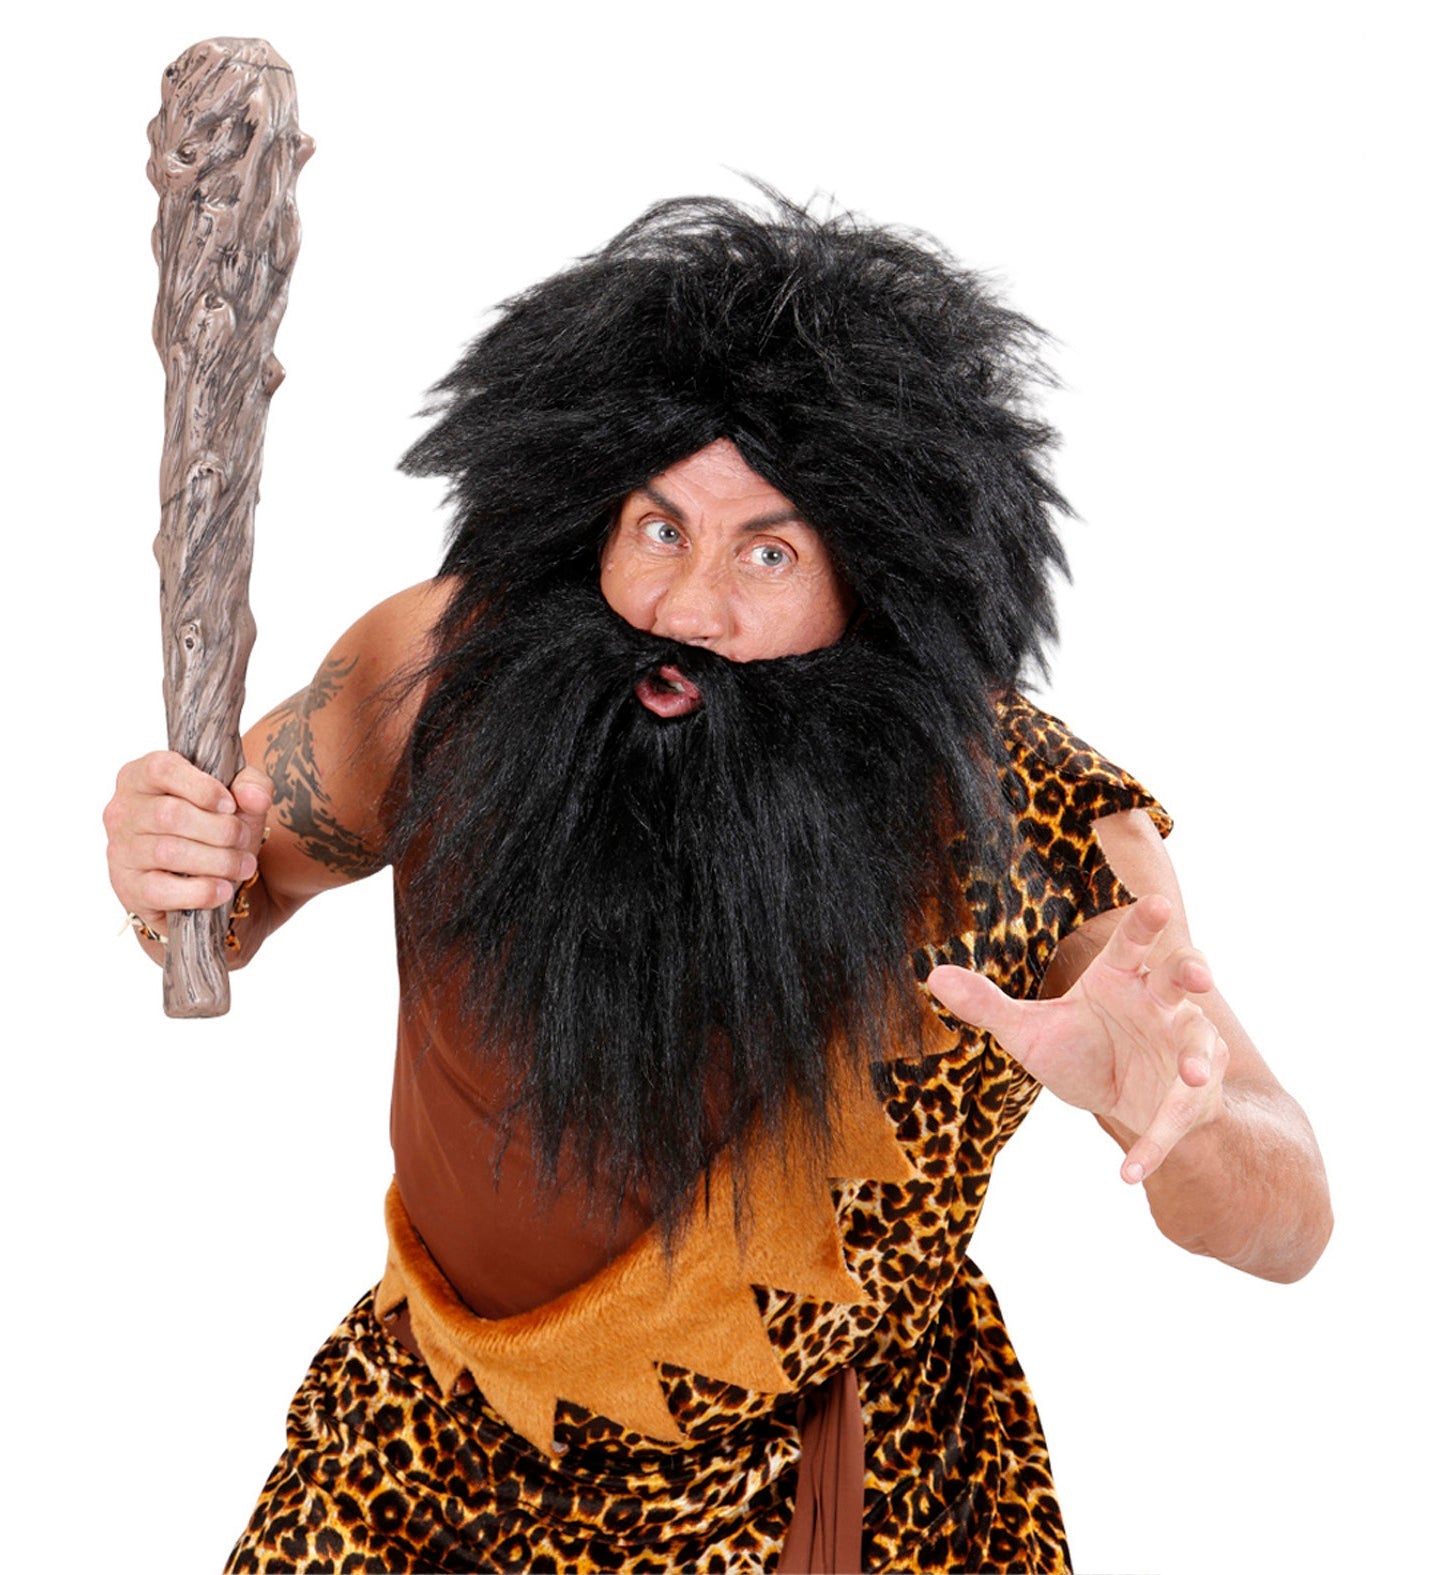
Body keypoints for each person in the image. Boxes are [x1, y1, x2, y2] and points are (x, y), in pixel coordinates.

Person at [104, 194, 1331, 1574]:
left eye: (767, 550)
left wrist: (1165, 1111)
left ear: (874, 578)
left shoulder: (1018, 813)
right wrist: (165, 863)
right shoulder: (439, 679)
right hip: (429, 1443)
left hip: (819, 1490)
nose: (691, 606)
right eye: (657, 528)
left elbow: (1289, 1221)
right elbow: (226, 890)